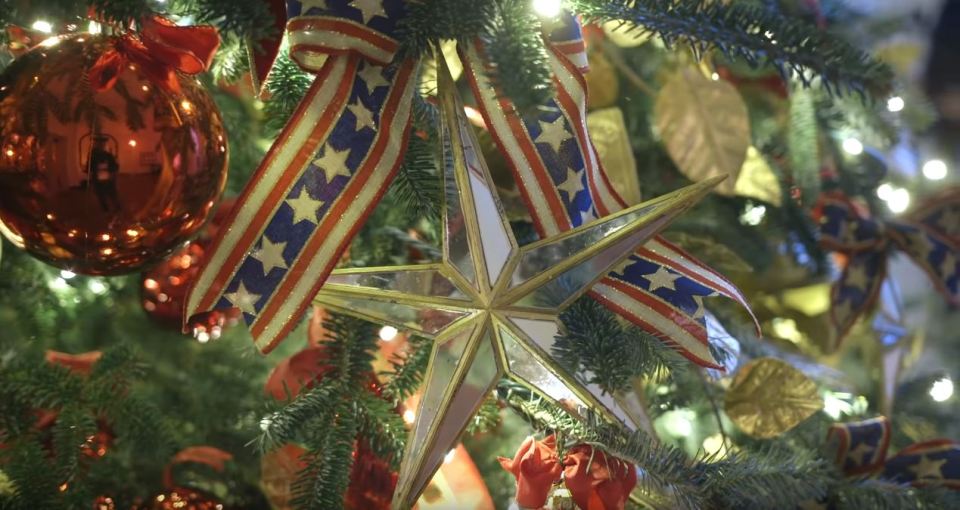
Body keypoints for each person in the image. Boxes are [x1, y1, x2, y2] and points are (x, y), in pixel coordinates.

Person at [88, 136, 121, 212]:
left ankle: (116, 207)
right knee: (101, 195)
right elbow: (90, 167)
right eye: (99, 143)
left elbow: (114, 166)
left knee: (112, 194)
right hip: (98, 179)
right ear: (96, 144)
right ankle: (106, 209)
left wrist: (112, 173)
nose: (101, 145)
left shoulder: (108, 155)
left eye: (102, 143)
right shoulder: (92, 155)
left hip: (108, 178)